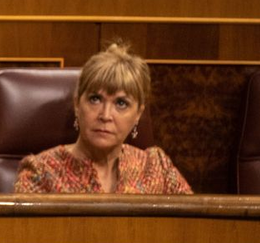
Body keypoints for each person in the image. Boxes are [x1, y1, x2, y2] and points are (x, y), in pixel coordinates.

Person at [14, 42, 192, 194]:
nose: (106, 115)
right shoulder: (40, 173)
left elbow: (196, 226)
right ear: (77, 104)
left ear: (138, 114)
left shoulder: (156, 168)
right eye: (95, 99)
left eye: (121, 103)